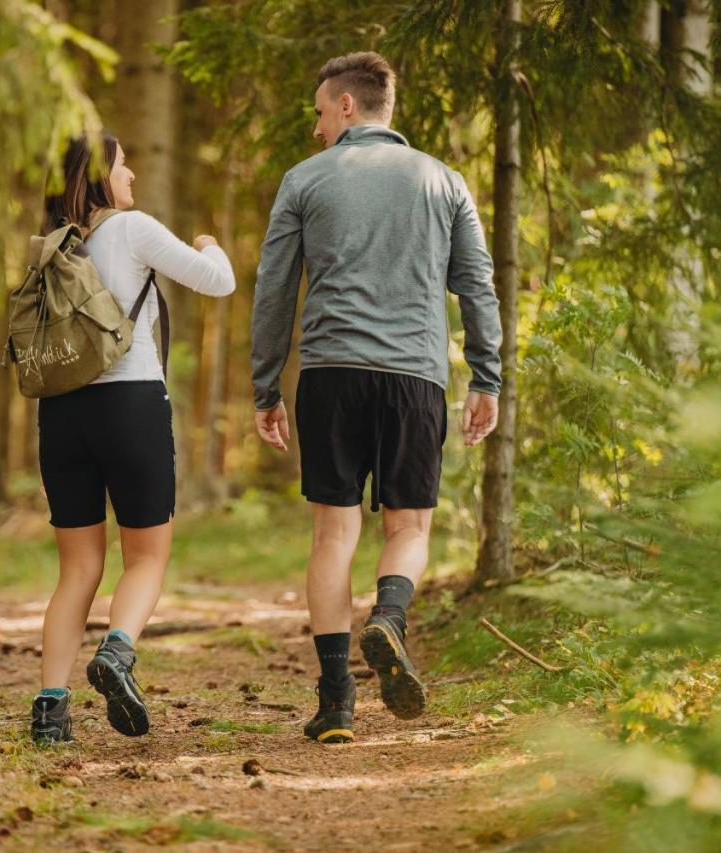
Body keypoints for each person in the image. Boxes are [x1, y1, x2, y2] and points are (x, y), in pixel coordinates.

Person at [250, 52, 502, 744]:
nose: (316, 128)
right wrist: (487, 376)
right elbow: (476, 285)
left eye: (321, 112)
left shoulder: (304, 180)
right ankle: (389, 616)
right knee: (409, 528)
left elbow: (274, 289)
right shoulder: (444, 181)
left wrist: (265, 384)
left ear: (349, 107)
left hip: (331, 373)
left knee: (334, 533)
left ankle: (336, 702)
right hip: (415, 376)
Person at [30, 134, 236, 744]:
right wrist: (209, 244)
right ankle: (117, 653)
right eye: (123, 164)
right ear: (100, 175)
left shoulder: (52, 245)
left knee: (77, 570)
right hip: (130, 403)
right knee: (146, 556)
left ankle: (50, 711)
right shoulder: (132, 228)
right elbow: (217, 282)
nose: (134, 173)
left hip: (60, 411)